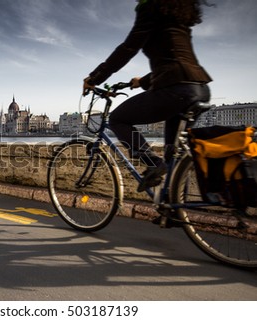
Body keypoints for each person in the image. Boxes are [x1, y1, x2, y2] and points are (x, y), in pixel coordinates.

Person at [83, 0, 212, 192]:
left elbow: (128, 48)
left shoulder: (151, 7)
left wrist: (95, 77)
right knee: (172, 156)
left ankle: (152, 162)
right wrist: (142, 81)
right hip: (199, 88)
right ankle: (173, 207)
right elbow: (176, 59)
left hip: (176, 90)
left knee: (117, 119)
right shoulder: (177, 14)